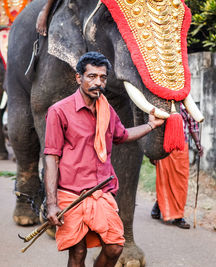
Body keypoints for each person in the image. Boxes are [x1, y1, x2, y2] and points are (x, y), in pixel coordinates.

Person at [44, 52, 165, 267]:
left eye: (102, 77)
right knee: (78, 252)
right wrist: (52, 203)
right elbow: (51, 158)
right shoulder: (59, 111)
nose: (98, 82)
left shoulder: (106, 110)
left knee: (115, 247)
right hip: (71, 194)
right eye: (91, 76)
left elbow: (122, 135)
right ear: (78, 78)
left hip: (101, 192)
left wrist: (150, 125)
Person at [150, 103, 203, 229]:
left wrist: (198, 143)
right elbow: (156, 129)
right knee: (164, 181)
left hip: (181, 148)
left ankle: (177, 215)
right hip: (165, 147)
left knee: (180, 183)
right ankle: (163, 208)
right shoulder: (161, 104)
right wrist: (152, 152)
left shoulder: (187, 106)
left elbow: (193, 126)